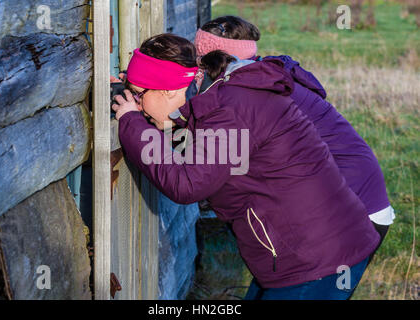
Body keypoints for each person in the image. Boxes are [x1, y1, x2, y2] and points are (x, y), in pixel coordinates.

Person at [112, 33, 380, 300]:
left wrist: (131, 123)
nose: (136, 104)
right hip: (313, 253)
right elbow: (199, 148)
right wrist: (138, 98)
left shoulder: (228, 112)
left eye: (137, 95)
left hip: (316, 262)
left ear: (169, 89)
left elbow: (188, 184)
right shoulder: (221, 96)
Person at [194, 16, 395, 266]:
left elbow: (215, 157)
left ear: (218, 61)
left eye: (201, 61)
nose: (197, 71)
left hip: (354, 209)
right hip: (354, 199)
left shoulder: (257, 93)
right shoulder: (263, 77)